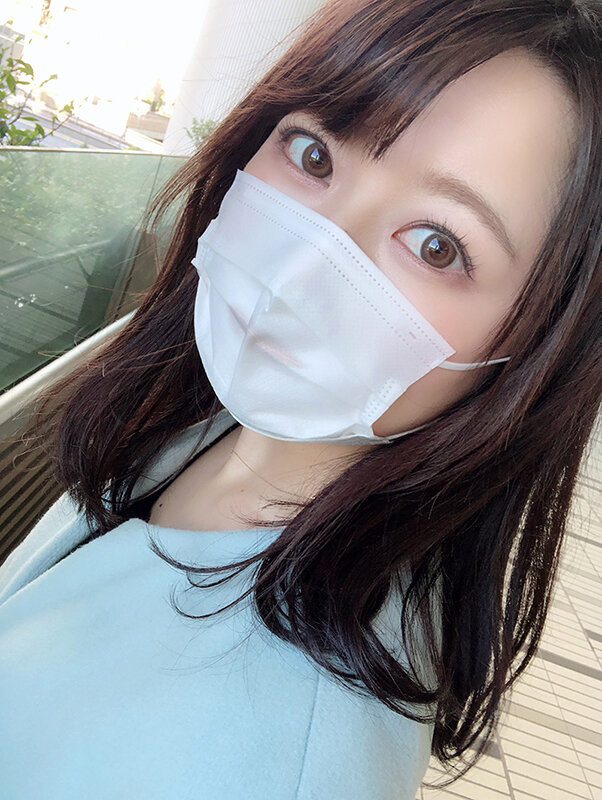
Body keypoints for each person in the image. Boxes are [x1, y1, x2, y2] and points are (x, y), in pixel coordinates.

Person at [0, 0, 600, 797]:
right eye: (313, 154)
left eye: (437, 245)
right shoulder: (215, 423)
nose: (305, 263)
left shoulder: (266, 766)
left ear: (538, 349)